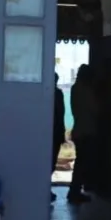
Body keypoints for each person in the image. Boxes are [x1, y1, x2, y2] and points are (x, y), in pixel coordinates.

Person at [69, 64, 98, 204]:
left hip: (79, 130)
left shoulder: (75, 88)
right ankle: (75, 192)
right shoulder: (86, 90)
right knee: (82, 164)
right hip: (86, 131)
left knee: (79, 163)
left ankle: (74, 191)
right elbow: (94, 109)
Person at [51, 73, 66, 203]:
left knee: (51, 161)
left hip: (54, 132)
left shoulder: (57, 94)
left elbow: (61, 114)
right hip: (53, 132)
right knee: (50, 161)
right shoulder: (56, 94)